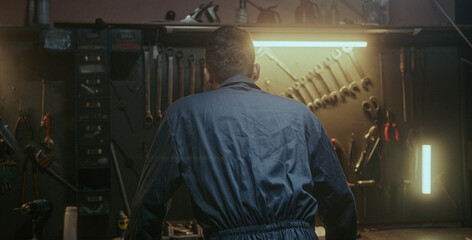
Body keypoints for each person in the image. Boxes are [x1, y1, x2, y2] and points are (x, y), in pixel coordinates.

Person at [126, 26, 357, 240]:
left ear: (207, 74)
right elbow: (339, 199)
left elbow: (146, 206)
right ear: (256, 71)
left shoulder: (182, 115)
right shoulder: (300, 114)